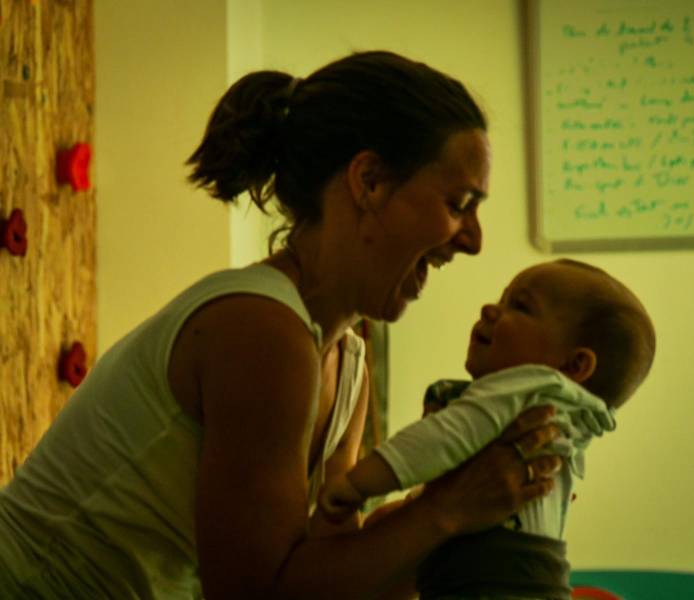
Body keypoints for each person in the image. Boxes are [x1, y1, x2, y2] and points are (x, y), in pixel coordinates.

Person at [0, 51, 566, 599]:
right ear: (369, 180)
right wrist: (443, 511)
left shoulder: (348, 363)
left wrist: (462, 513)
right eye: (459, 202)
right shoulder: (261, 332)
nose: (473, 240)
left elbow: (325, 573)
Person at [319, 258, 657, 600]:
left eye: (520, 306)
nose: (490, 309)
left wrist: (357, 484)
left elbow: (439, 439)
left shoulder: (526, 389)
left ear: (574, 364)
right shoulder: (571, 416)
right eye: (503, 298)